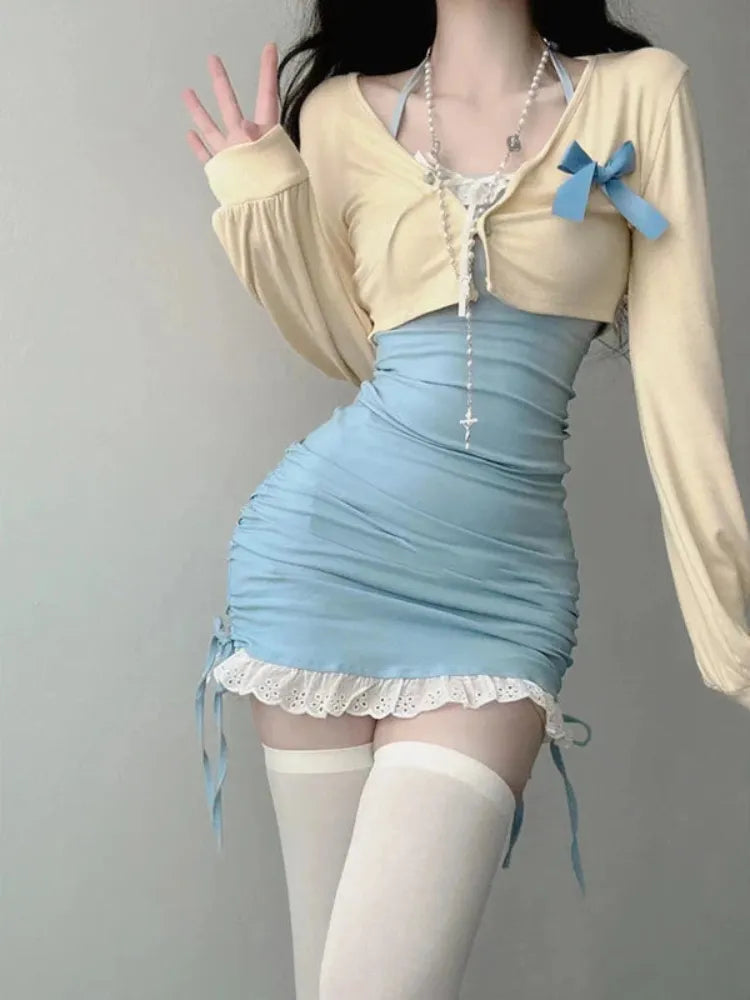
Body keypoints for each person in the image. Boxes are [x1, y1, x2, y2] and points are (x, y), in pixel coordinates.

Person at [182, 2, 750, 997]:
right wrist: (263, 197)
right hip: (320, 565)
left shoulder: (640, 94)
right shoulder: (341, 117)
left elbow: (682, 381)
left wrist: (733, 621)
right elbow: (348, 344)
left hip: (501, 596)